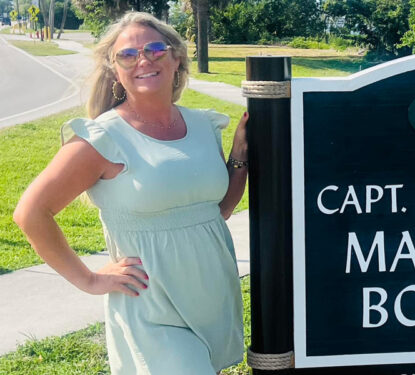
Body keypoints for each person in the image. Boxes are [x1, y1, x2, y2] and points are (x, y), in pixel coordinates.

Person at [13, 11, 248, 375]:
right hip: (152, 311)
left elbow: (216, 210)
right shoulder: (103, 138)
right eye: (128, 54)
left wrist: (239, 157)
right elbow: (31, 212)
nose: (144, 60)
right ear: (114, 69)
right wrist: (89, 280)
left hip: (211, 299)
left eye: (155, 49)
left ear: (176, 57)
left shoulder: (203, 125)